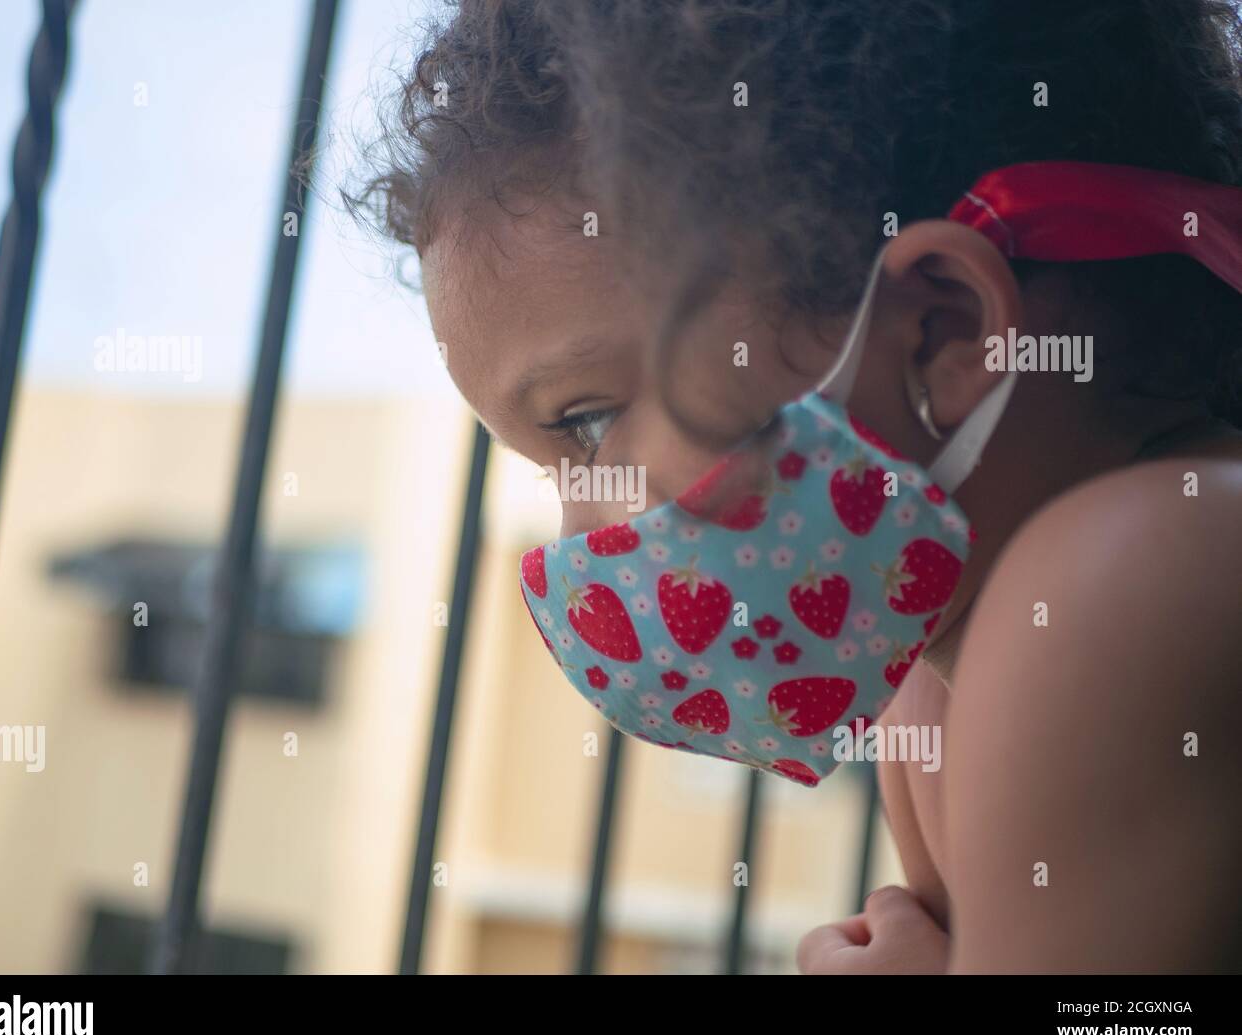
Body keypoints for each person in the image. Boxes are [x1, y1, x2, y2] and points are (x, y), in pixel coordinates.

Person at [351, 0, 1242, 973]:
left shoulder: (1116, 586)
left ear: (942, 332)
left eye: (587, 423)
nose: (578, 529)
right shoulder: (935, 692)